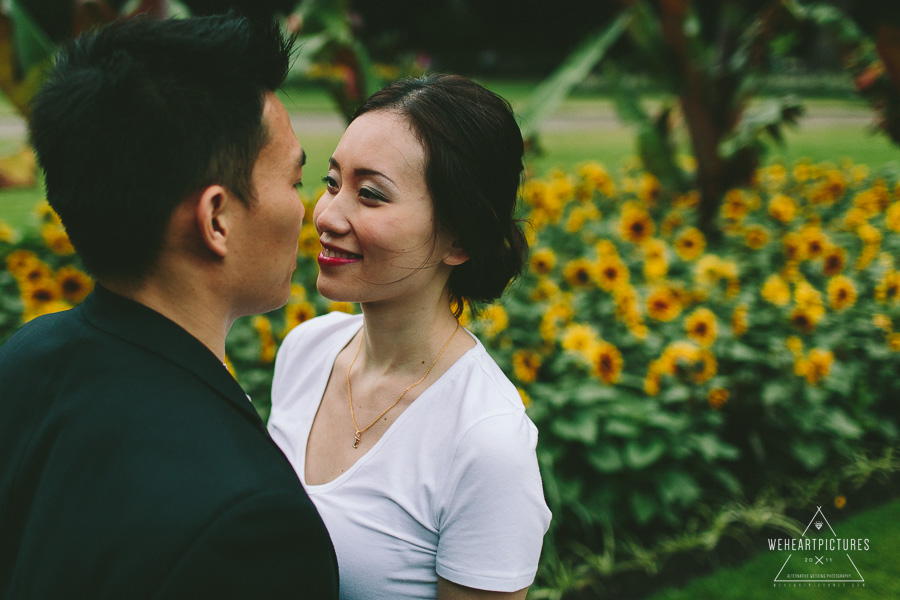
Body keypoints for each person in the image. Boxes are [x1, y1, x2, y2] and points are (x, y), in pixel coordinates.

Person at [0, 14, 339, 599]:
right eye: (294, 180)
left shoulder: (27, 359)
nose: (313, 212)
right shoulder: (253, 525)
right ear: (216, 219)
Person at [268, 74, 552, 599]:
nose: (326, 215)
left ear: (461, 239)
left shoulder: (486, 443)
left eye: (371, 195)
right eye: (333, 183)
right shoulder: (306, 350)